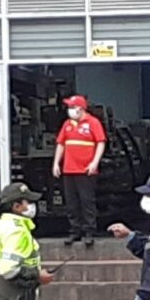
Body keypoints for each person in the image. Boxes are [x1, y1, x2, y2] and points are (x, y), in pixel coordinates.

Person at [52, 95, 106, 247]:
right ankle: (75, 231)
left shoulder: (93, 123)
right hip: (69, 169)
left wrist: (94, 163)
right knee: (71, 202)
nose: (69, 110)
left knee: (87, 201)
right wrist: (56, 163)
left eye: (71, 107)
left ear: (80, 109)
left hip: (86, 169)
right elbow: (61, 144)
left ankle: (89, 231)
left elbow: (100, 143)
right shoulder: (67, 124)